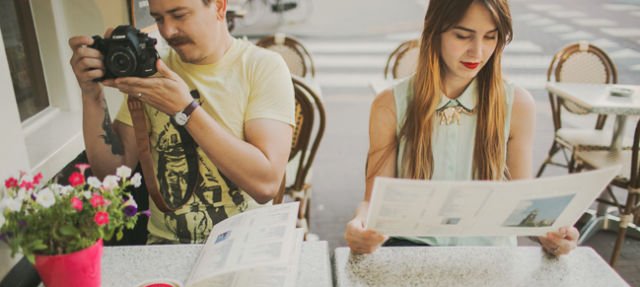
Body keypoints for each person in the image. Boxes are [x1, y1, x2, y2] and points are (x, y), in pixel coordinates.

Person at [344, 0, 579, 255]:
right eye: (462, 36)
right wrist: (360, 227)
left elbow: (522, 204)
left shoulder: (518, 104)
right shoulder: (390, 104)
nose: (477, 52)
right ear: (435, 32)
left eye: (490, 37)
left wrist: (551, 235)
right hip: (410, 251)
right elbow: (374, 201)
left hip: (490, 257)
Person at [69, 0, 295, 244]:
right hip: (165, 246)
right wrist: (91, 95)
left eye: (179, 15)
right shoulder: (151, 71)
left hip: (245, 244)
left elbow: (266, 185)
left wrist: (185, 110)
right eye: (158, 19)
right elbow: (112, 175)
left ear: (219, 6)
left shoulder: (261, 67)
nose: (167, 31)